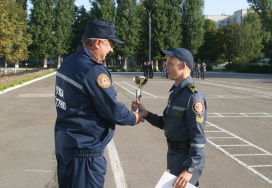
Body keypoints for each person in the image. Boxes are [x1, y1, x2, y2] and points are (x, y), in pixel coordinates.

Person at [54, 20, 144, 188]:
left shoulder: (69, 62)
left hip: (66, 144)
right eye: (110, 44)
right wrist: (135, 117)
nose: (111, 49)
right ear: (97, 43)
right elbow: (112, 109)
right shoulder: (93, 70)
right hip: (84, 153)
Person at [132, 48, 207, 188]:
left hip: (187, 161)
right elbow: (166, 123)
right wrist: (146, 113)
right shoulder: (176, 92)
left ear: (183, 65)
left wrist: (190, 169)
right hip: (175, 156)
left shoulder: (193, 96)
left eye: (169, 63)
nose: (165, 67)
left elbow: (198, 138)